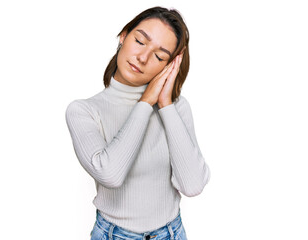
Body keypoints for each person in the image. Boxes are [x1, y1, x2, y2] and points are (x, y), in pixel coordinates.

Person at [65, 6, 210, 240]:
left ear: (169, 66)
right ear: (123, 36)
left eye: (160, 56)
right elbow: (111, 175)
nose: (142, 58)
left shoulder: (176, 109)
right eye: (140, 41)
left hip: (172, 233)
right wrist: (145, 102)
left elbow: (192, 185)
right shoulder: (84, 111)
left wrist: (165, 105)